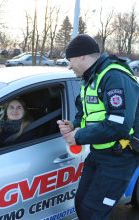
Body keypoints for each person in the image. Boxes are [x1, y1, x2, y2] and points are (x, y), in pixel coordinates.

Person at [57, 34, 139, 220]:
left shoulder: (114, 76)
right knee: (81, 204)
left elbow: (119, 125)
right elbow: (87, 114)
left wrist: (78, 136)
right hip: (99, 153)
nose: (69, 66)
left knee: (93, 212)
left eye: (70, 60)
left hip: (120, 157)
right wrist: (74, 125)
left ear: (82, 56)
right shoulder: (90, 78)